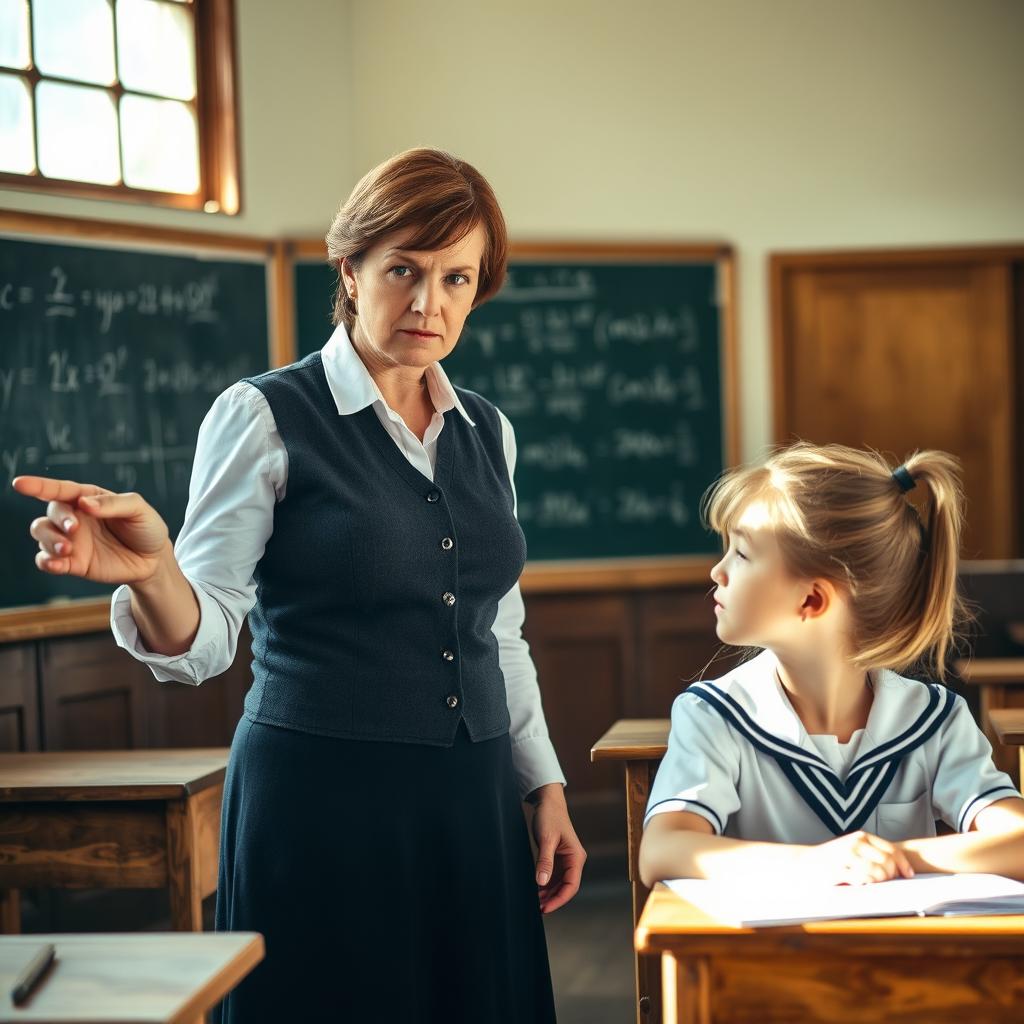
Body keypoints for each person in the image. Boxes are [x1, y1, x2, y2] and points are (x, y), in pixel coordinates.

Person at [13, 147, 585, 1023]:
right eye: (404, 269)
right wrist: (156, 572)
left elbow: (496, 631)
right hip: (323, 803)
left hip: (469, 801)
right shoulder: (264, 415)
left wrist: (539, 784)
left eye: (457, 279)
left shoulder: (488, 432)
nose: (429, 302)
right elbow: (204, 641)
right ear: (351, 270)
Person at [638, 441, 1024, 889]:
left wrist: (892, 856)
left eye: (741, 554)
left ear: (812, 599)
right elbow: (662, 850)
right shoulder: (714, 714)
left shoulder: (934, 719)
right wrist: (818, 863)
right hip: (762, 959)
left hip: (902, 958)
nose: (717, 572)